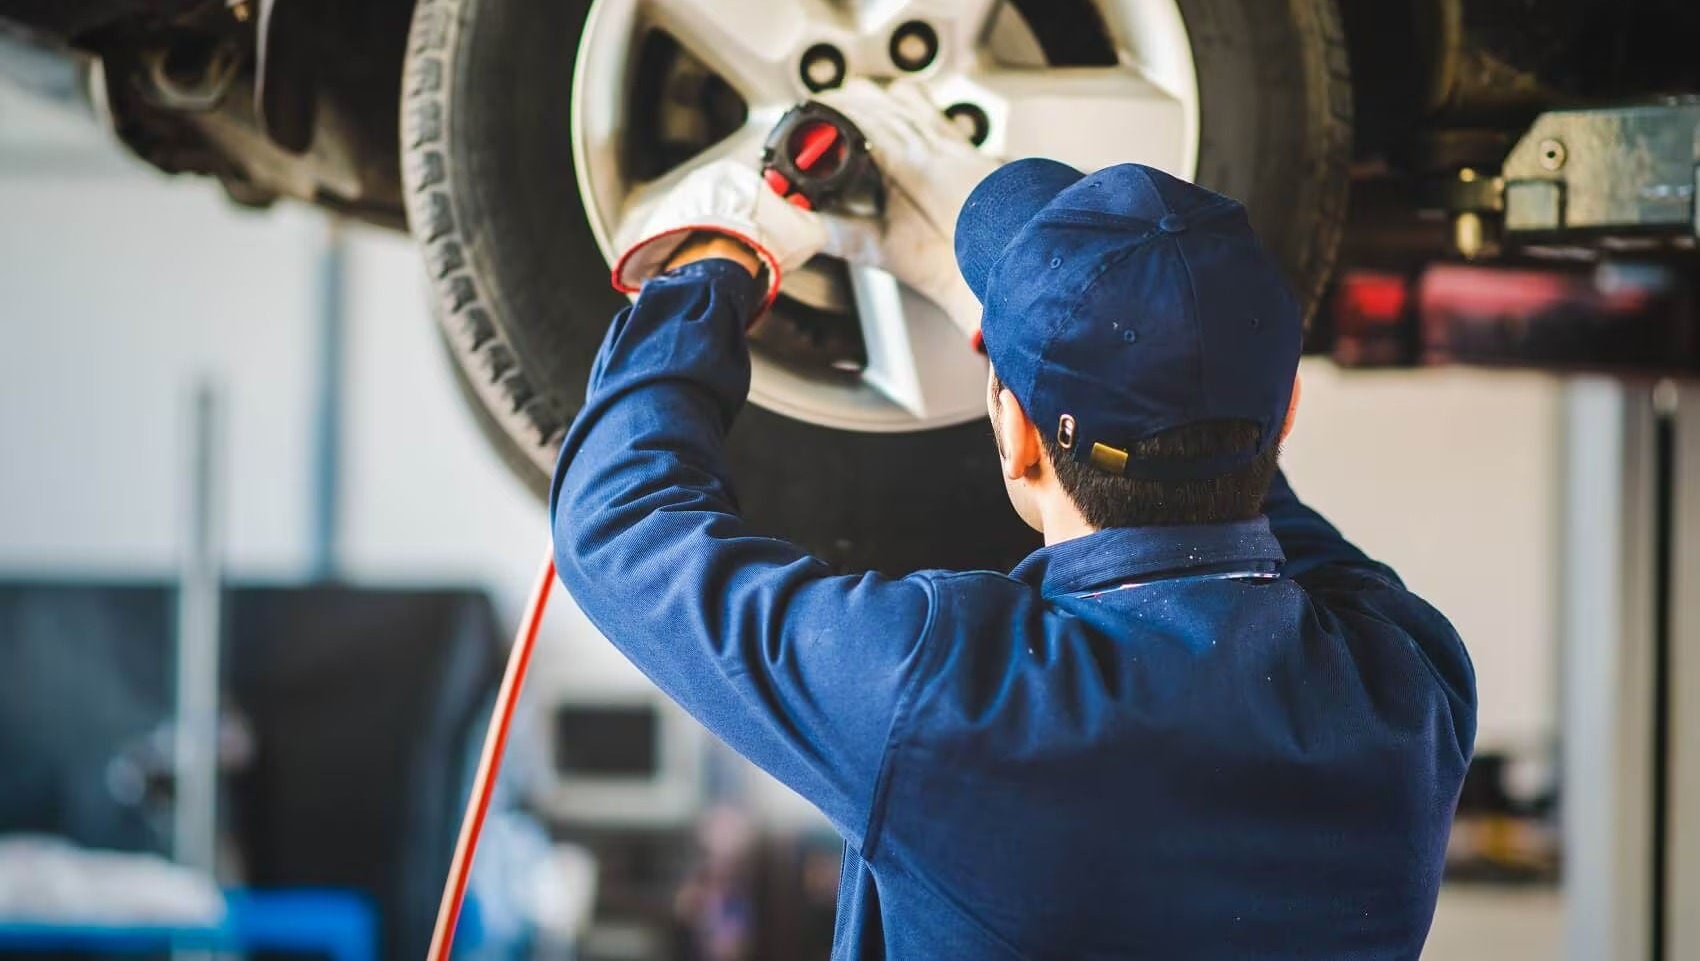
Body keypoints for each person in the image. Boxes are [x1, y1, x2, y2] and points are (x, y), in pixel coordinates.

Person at [550, 81, 1476, 960]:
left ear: (1015, 431)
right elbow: (1240, 500)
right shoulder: (1411, 686)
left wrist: (719, 258)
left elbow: (622, 528)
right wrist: (1018, 348)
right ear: (1287, 413)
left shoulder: (948, 700)